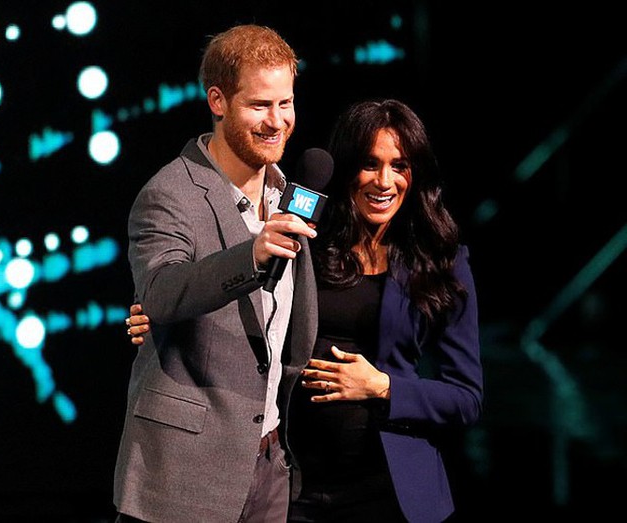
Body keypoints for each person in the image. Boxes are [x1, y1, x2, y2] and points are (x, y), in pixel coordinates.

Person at [126, 99, 484, 522]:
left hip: (390, 488)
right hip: (292, 484)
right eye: (369, 164)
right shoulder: (306, 239)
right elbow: (244, 304)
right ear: (346, 167)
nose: (384, 181)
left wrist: (383, 386)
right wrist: (165, 314)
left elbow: (466, 398)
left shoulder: (443, 260)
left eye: (399, 165)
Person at [114, 24, 320, 523]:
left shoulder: (287, 192)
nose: (278, 122)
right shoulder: (169, 194)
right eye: (260, 105)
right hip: (184, 473)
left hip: (269, 461)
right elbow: (162, 292)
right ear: (218, 100)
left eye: (285, 103)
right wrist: (252, 255)